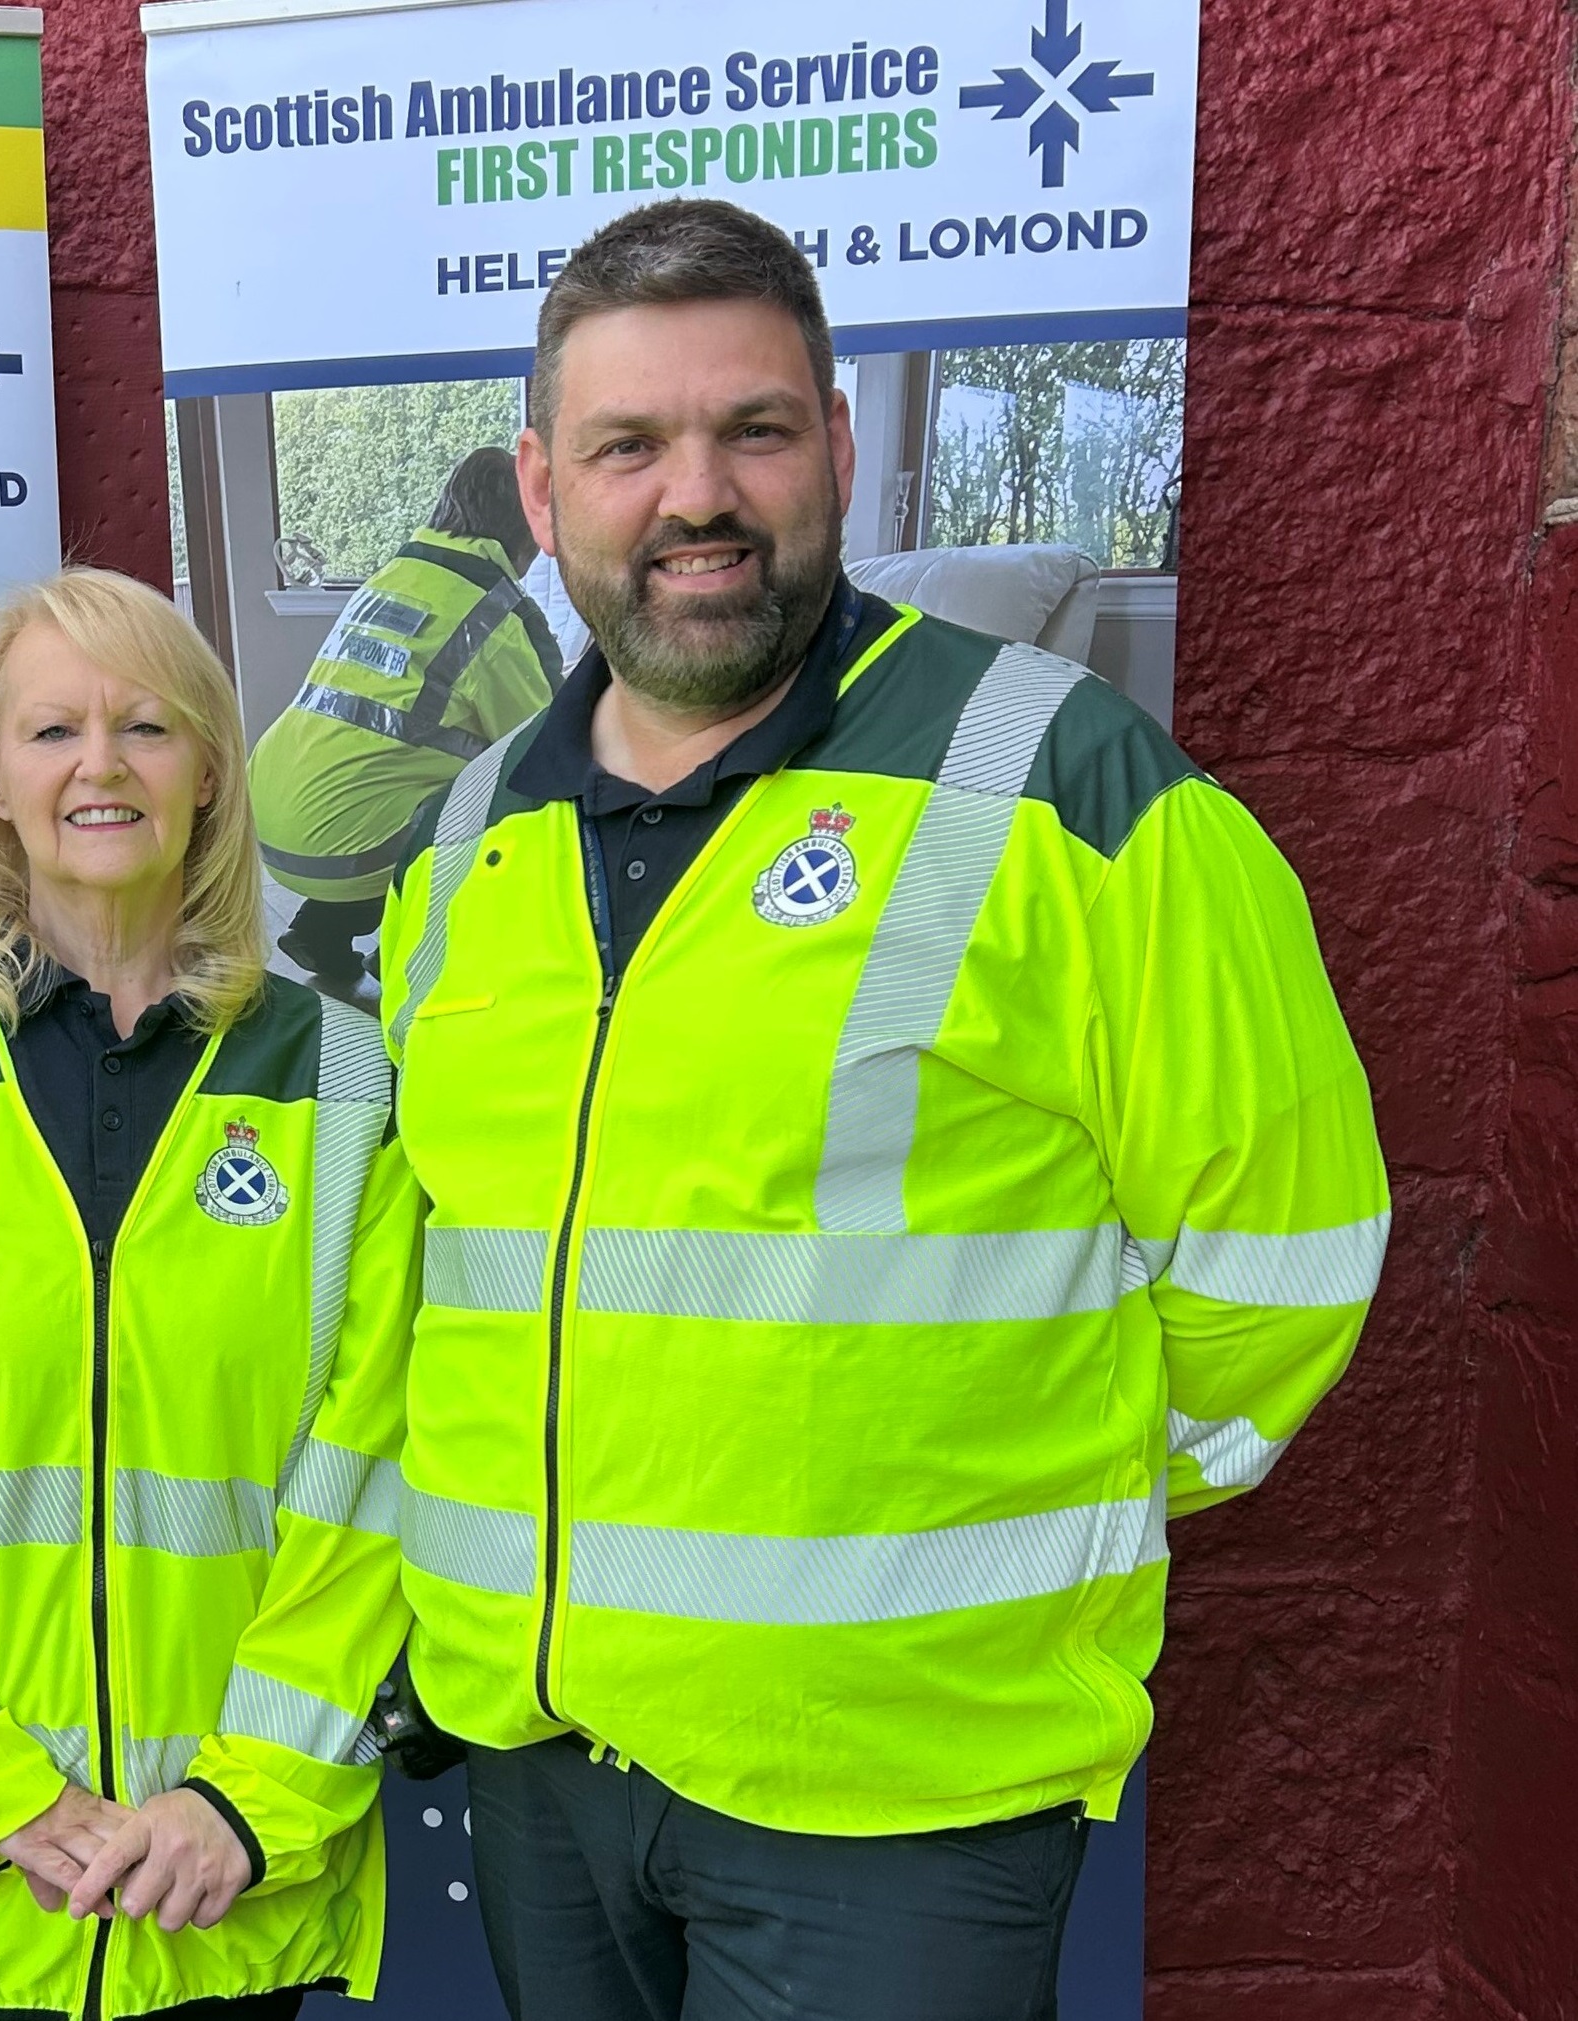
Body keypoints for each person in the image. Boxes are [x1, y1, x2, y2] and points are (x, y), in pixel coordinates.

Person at [379, 197, 1389, 2020]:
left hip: (900, 1800)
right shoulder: (466, 844)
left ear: (835, 448)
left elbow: (1287, 1262)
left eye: (753, 430)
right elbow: (455, 1267)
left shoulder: (1066, 786)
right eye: (627, 445)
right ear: (541, 491)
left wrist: (1047, 1504)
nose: (696, 494)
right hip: (539, 1758)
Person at [0, 568, 418, 2018]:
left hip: (222, 1884)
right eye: (51, 731)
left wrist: (244, 1800)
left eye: (144, 726)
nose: (99, 766)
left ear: (207, 768)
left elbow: (366, 1471)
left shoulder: (342, 1082)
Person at [250, 448, 562, 992]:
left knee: (403, 773)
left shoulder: (396, 576)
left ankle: (321, 928)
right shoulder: (491, 612)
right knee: (514, 801)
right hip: (344, 849)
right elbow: (546, 745)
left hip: (269, 823)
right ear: (526, 525)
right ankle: (412, 949)